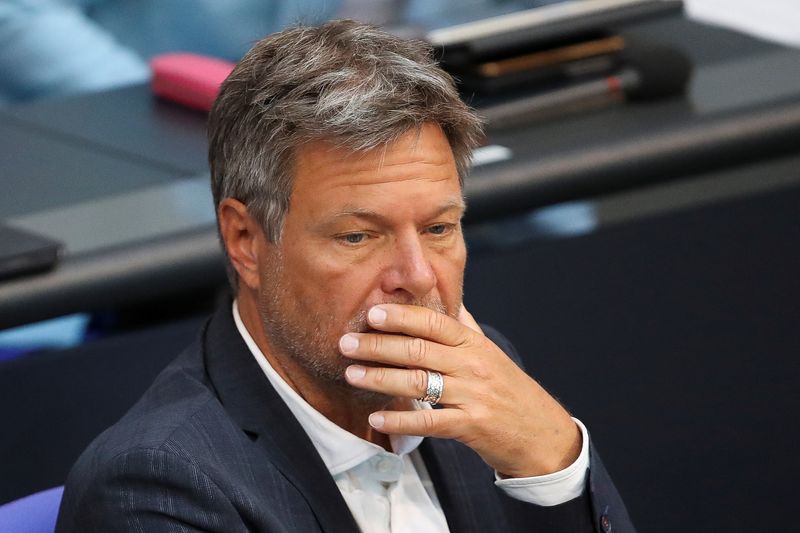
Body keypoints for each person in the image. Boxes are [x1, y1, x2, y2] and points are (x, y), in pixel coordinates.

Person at [56, 20, 634, 532]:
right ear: (246, 241)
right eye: (358, 237)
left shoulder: (477, 385)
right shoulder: (157, 488)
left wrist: (555, 463)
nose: (417, 278)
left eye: (438, 230)